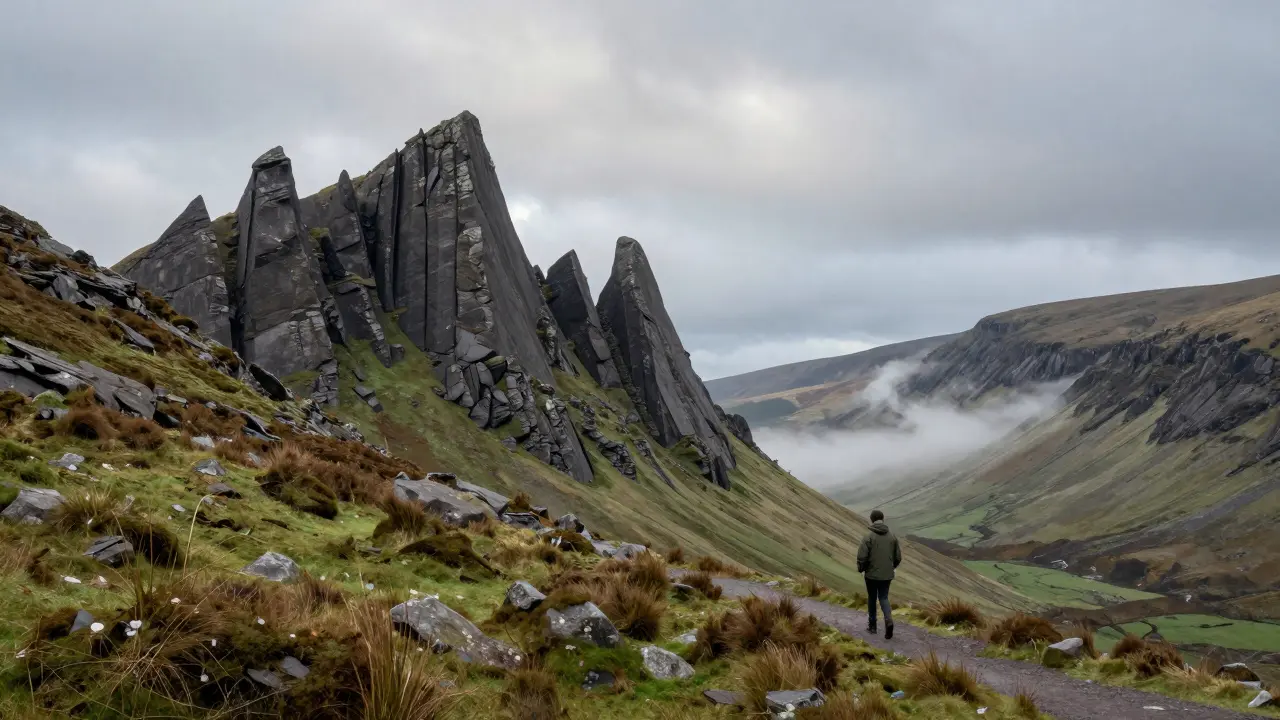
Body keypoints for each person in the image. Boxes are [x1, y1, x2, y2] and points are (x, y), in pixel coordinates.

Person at [857, 509, 902, 639]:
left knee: (872, 597)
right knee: (883, 597)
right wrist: (891, 567)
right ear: (883, 519)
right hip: (887, 574)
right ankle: (888, 621)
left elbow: (862, 556)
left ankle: (872, 626)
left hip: (871, 574)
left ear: (872, 520)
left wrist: (861, 568)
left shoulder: (868, 537)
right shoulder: (892, 536)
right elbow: (898, 557)